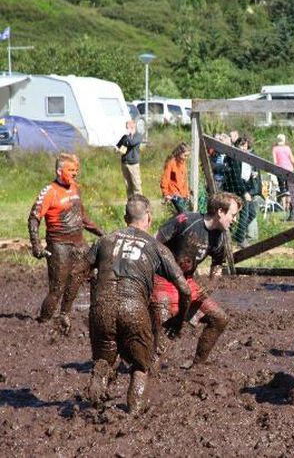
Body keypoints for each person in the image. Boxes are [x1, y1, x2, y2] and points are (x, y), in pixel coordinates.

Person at [85, 195, 191, 414]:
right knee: (141, 366)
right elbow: (185, 289)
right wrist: (179, 320)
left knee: (103, 361)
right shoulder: (156, 247)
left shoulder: (105, 240)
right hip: (133, 309)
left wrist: (70, 308)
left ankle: (93, 407)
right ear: (149, 218)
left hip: (101, 308)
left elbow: (78, 272)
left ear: (126, 218)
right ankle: (133, 413)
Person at [150, 192, 241, 369]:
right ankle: (148, 369)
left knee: (219, 319)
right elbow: (154, 242)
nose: (235, 220)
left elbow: (217, 264)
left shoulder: (221, 237)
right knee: (165, 328)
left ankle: (197, 367)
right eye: (233, 215)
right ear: (220, 212)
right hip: (162, 279)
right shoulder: (186, 220)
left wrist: (209, 286)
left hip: (187, 281)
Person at [28, 153, 104, 333]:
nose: (75, 173)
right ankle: (43, 321)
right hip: (58, 245)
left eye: (76, 170)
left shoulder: (76, 188)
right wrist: (36, 244)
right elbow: (33, 218)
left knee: (91, 275)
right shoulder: (49, 191)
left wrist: (102, 233)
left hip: (79, 244)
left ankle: (65, 314)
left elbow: (83, 218)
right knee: (57, 288)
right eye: (71, 170)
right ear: (59, 171)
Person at [223, 137, 261, 248]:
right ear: (236, 145)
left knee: (252, 213)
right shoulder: (234, 157)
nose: (243, 147)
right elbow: (236, 176)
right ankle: (239, 238)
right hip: (237, 188)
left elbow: (248, 173)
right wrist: (244, 192)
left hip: (246, 187)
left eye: (245, 145)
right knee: (245, 214)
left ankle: (237, 234)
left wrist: (254, 176)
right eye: (241, 145)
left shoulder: (247, 157)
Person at [160, 142, 191, 214]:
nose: (186, 158)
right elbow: (165, 178)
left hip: (182, 194)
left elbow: (185, 181)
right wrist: (165, 193)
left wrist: (187, 193)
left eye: (187, 156)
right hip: (174, 194)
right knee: (184, 214)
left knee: (181, 214)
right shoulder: (171, 163)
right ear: (179, 153)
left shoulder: (183, 164)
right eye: (185, 155)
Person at [116, 120, 143, 199]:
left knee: (136, 184)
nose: (126, 129)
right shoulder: (125, 137)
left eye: (127, 128)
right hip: (124, 163)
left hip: (133, 164)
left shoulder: (138, 136)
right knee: (128, 185)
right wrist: (117, 149)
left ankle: (139, 202)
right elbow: (118, 145)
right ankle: (131, 202)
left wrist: (127, 138)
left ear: (132, 127)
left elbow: (131, 143)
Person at [272, 133, 294, 213]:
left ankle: (283, 207)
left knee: (282, 188)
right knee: (289, 188)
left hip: (280, 170)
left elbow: (275, 161)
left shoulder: (275, 149)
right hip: (289, 169)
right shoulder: (287, 148)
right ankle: (288, 206)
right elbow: (292, 160)